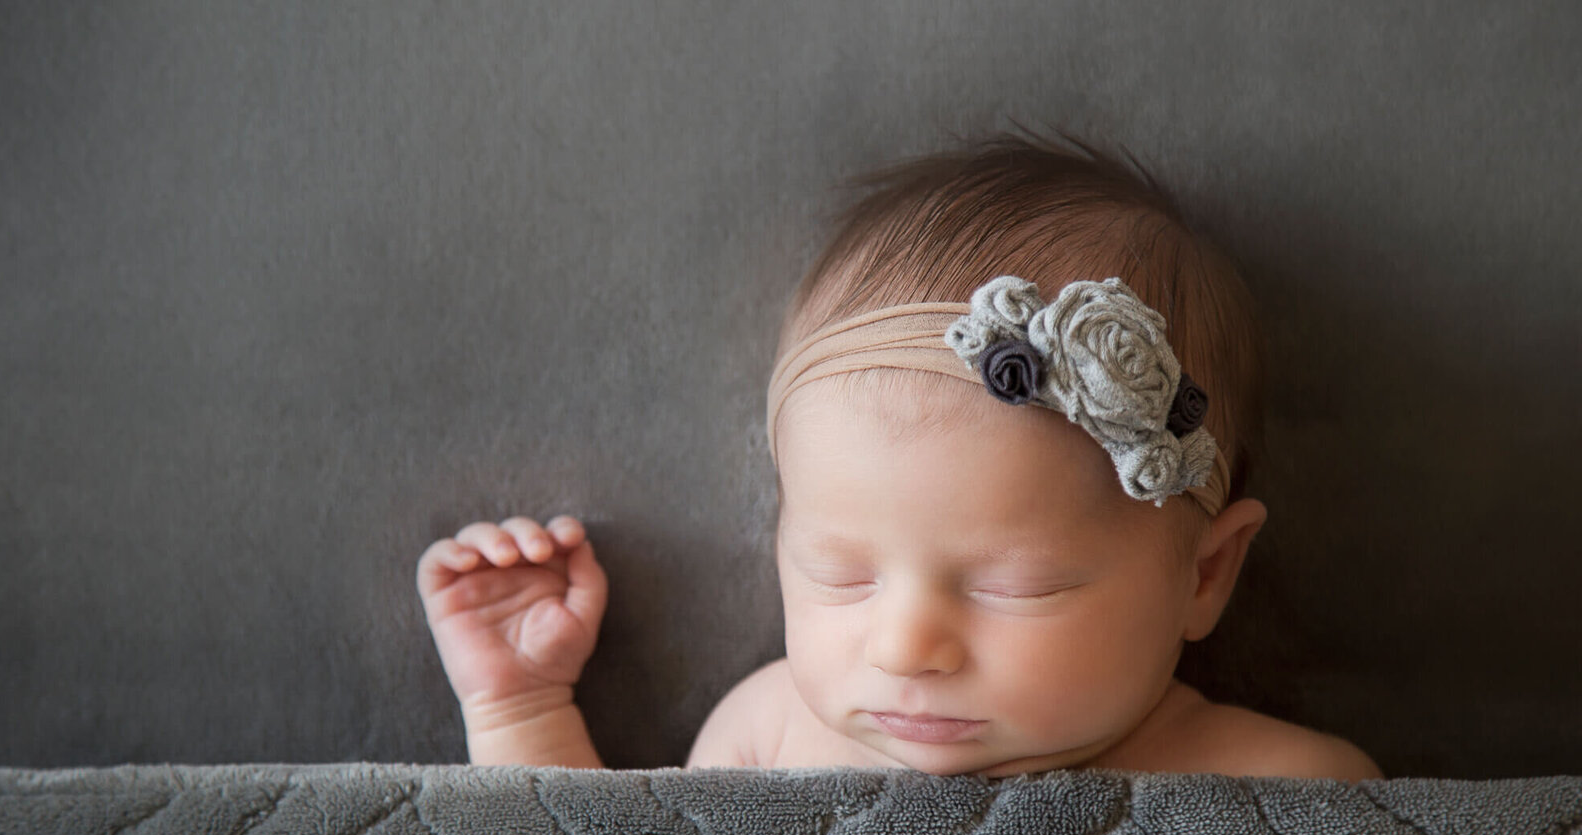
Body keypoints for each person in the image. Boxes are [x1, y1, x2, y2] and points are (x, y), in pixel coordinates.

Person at [416, 131, 1382, 780]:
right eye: (839, 573)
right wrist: (523, 714)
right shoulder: (768, 734)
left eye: (1019, 586)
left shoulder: (1278, 789)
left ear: (1205, 574)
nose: (904, 648)